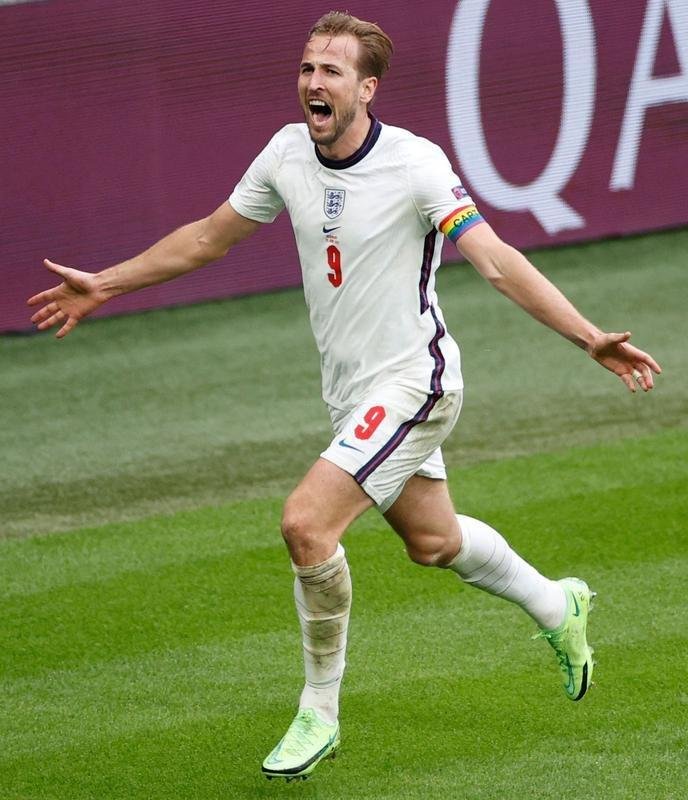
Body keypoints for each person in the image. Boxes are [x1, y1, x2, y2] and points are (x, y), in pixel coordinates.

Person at [28, 11, 661, 783]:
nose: (313, 83)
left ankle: (317, 712)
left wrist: (586, 335)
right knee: (432, 543)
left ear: (367, 87)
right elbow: (208, 238)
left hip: (414, 385)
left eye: (330, 71)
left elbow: (493, 259)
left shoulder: (416, 163)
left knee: (306, 524)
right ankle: (560, 606)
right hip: (352, 392)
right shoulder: (287, 153)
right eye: (305, 69)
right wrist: (108, 283)